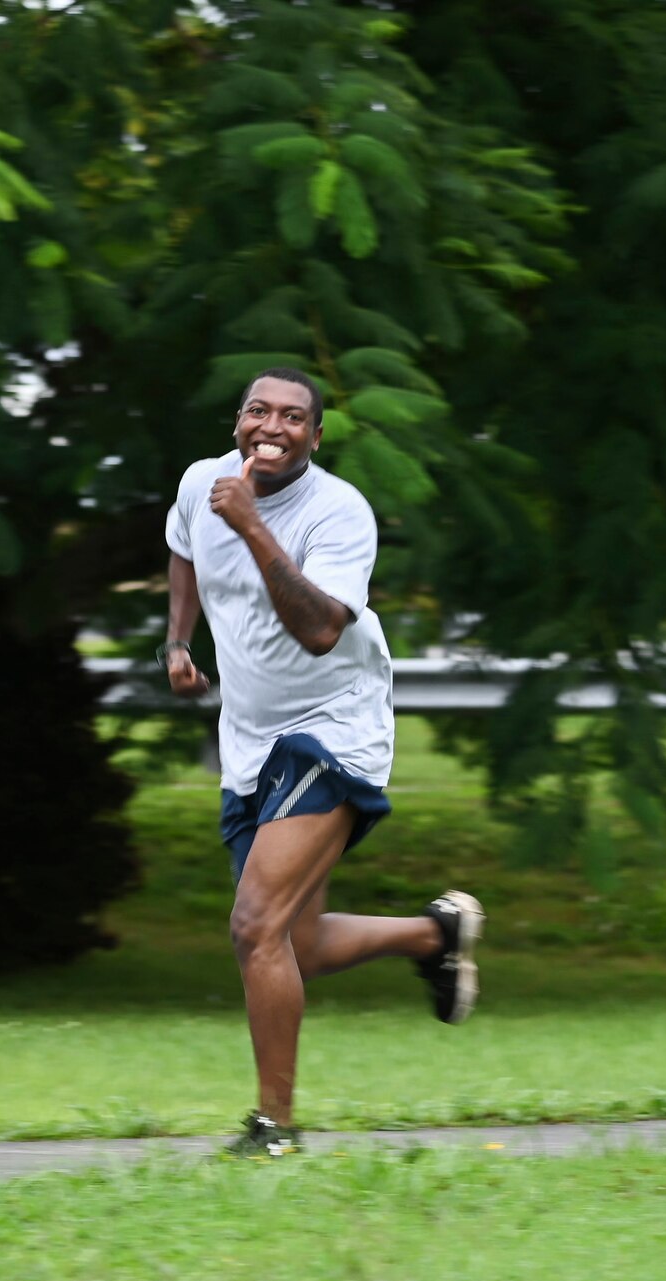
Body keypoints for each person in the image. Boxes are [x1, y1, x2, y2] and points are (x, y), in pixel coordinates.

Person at [162, 367, 483, 1158]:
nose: (272, 427)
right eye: (258, 412)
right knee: (292, 944)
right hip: (251, 738)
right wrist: (177, 639)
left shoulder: (339, 512)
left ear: (316, 435)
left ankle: (274, 1128)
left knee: (254, 925)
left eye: (293, 418)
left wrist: (252, 527)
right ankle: (435, 937)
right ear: (237, 420)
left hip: (331, 728)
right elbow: (182, 550)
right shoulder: (202, 482)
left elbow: (318, 629)